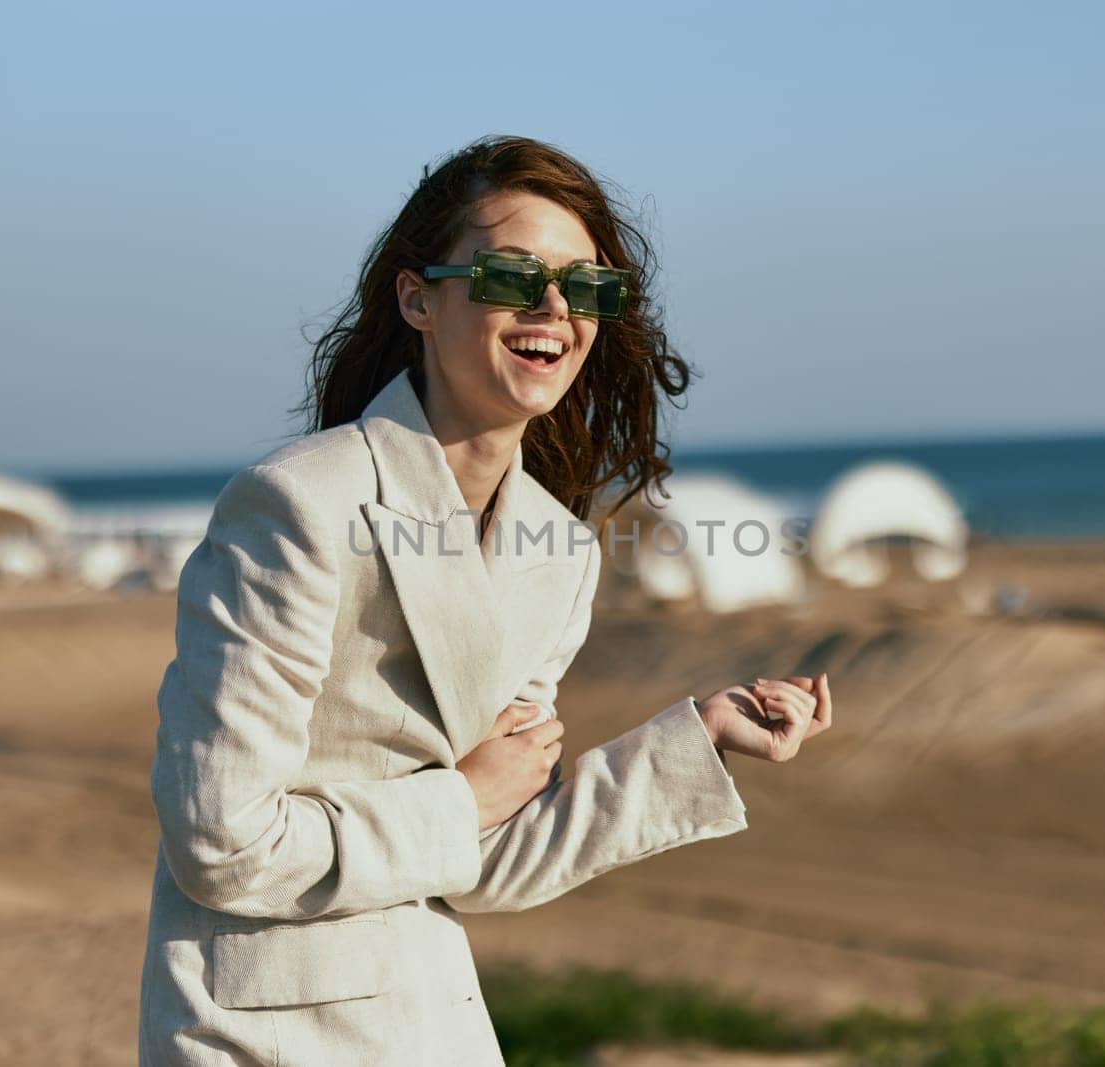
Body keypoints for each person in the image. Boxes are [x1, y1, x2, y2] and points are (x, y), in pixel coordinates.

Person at [137, 135, 834, 1066]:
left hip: (433, 1025)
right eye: (513, 274)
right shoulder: (301, 500)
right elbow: (220, 839)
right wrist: (459, 799)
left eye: (587, 288)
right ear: (417, 297)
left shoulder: (559, 551)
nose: (555, 307)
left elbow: (486, 865)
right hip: (262, 1035)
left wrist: (701, 735)